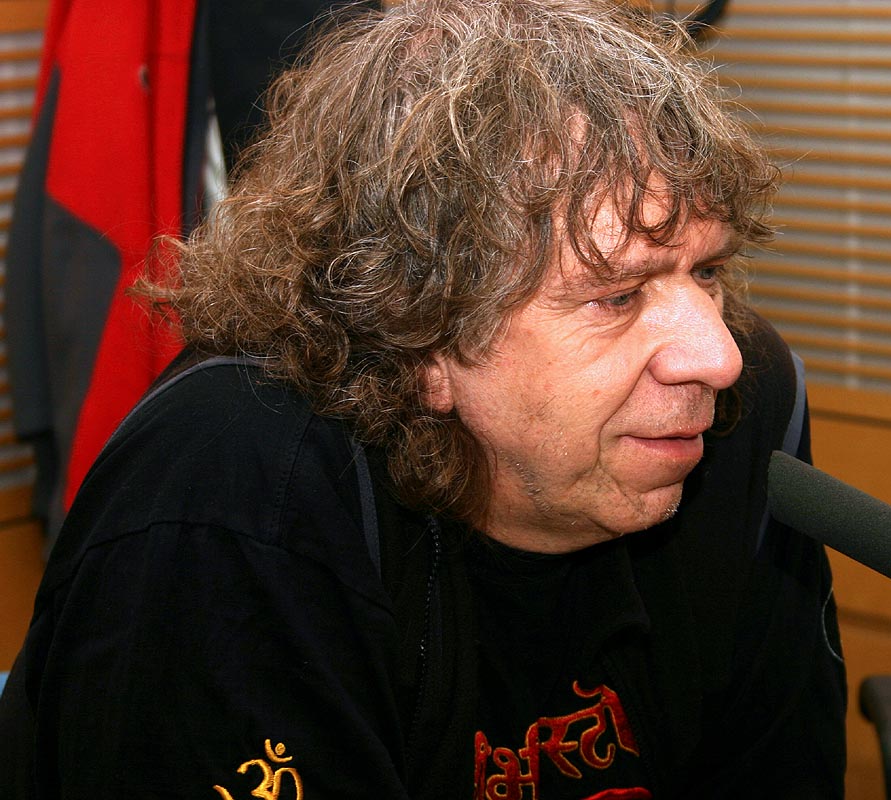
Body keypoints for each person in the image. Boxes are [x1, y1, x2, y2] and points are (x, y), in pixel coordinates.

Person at [0, 1, 847, 797]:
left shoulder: (742, 411)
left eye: (707, 271)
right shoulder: (236, 491)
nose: (717, 356)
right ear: (422, 332)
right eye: (617, 296)